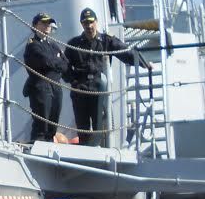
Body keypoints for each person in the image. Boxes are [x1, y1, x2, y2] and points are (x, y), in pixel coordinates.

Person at [63, 8, 151, 147]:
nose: (89, 26)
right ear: (81, 24)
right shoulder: (74, 44)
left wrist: (144, 63)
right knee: (82, 127)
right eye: (85, 23)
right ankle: (86, 154)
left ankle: (99, 149)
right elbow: (64, 66)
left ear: (96, 22)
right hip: (80, 90)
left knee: (99, 126)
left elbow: (125, 52)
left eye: (91, 22)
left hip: (99, 89)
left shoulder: (106, 41)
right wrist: (73, 80)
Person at [22, 12, 70, 144]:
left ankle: (48, 144)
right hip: (41, 86)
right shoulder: (33, 44)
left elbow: (65, 64)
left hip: (55, 86)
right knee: (41, 123)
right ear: (35, 26)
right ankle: (37, 145)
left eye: (49, 23)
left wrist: (56, 62)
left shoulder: (53, 45)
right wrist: (57, 61)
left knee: (52, 124)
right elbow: (45, 61)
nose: (47, 25)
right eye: (43, 23)